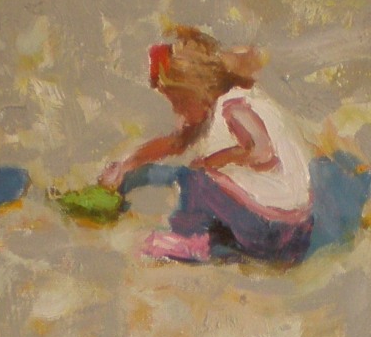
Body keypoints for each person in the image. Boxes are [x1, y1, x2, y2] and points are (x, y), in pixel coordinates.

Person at [99, 26, 314, 263]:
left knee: (196, 178)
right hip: (294, 233)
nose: (178, 113)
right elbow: (176, 142)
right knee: (209, 178)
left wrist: (211, 161)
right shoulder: (220, 102)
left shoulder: (233, 105)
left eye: (179, 102)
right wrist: (126, 165)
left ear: (197, 91)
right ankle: (216, 236)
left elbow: (262, 151)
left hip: (273, 231)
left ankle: (190, 240)